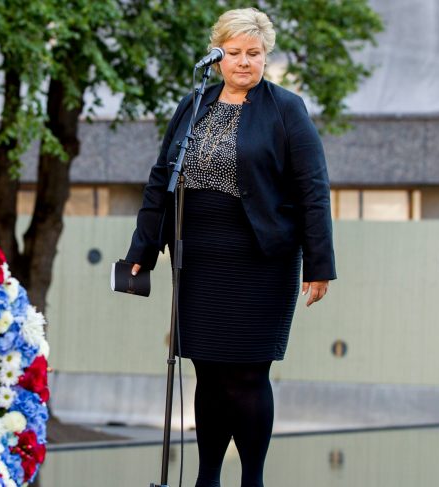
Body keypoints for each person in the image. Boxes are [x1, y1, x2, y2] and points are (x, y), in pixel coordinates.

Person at [124, 8, 336, 487]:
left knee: (246, 374)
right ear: (216, 56)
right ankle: (207, 479)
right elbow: (163, 178)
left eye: (254, 54)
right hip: (198, 253)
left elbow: (312, 187)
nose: (244, 62)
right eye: (235, 53)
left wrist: (319, 264)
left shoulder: (286, 108)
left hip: (261, 256)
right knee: (209, 372)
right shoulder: (192, 103)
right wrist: (143, 246)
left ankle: (252, 480)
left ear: (266, 56)